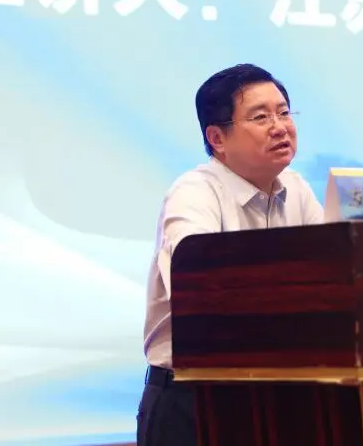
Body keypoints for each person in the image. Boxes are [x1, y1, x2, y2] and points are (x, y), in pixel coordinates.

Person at [136, 63, 324, 446]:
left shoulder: (297, 189)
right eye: (260, 117)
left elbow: (330, 278)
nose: (280, 127)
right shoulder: (194, 194)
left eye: (284, 112)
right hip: (193, 399)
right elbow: (200, 292)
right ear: (217, 138)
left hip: (276, 394)